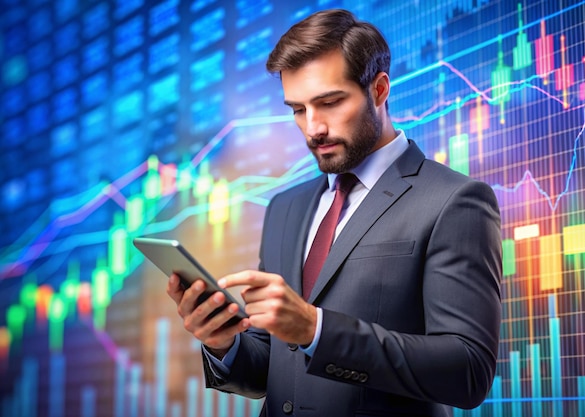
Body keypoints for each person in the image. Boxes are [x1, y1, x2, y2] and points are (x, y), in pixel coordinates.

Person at [167, 8, 502, 417]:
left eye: (329, 102)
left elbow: (467, 372)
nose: (313, 128)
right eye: (298, 109)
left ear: (379, 90)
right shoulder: (284, 209)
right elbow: (277, 371)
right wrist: (224, 342)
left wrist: (316, 329)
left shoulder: (454, 201)